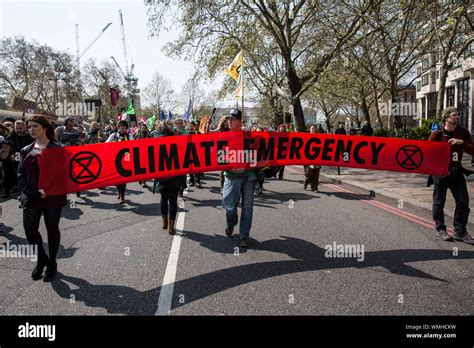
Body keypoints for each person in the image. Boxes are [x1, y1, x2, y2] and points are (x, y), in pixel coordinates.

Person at [18, 116, 67, 282]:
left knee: (52, 228)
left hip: (53, 197)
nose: (31, 129)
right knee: (30, 230)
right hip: (32, 197)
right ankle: (42, 259)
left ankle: (52, 263)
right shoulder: (26, 149)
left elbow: (65, 172)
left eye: (35, 126)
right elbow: (21, 173)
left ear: (45, 128)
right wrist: (31, 192)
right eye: (29, 127)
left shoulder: (59, 148)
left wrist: (51, 188)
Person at [428, 107, 474, 245]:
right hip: (441, 172)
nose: (457, 117)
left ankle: (460, 231)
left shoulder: (463, 132)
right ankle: (440, 228)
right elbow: (427, 152)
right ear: (446, 117)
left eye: (458, 115)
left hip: (456, 171)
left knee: (463, 201)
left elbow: (473, 150)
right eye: (454, 115)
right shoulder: (437, 134)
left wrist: (462, 143)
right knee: (439, 201)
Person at [222, 109, 256, 248]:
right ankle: (231, 224)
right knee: (230, 207)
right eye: (228, 119)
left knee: (247, 207)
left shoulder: (249, 136)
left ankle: (244, 235)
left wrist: (247, 166)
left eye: (233, 119)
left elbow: (255, 153)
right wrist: (228, 167)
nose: (229, 121)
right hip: (231, 176)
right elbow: (219, 155)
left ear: (240, 121)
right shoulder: (224, 136)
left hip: (248, 176)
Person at [152, 121, 179, 235]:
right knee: (173, 201)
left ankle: (164, 223)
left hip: (161, 175)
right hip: (173, 175)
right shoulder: (175, 139)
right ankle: (171, 227)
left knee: (163, 198)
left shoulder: (154, 140)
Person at [4, 120, 34, 198]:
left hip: (26, 159)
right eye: (17, 128)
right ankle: (7, 192)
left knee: (23, 177)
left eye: (20, 128)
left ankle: (23, 194)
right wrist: (10, 154)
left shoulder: (30, 137)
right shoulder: (11, 136)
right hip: (13, 159)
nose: (19, 130)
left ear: (25, 128)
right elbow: (7, 146)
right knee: (8, 175)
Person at [106, 120, 134, 204]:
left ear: (126, 128)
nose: (122, 128)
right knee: (117, 179)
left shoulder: (129, 135)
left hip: (126, 159)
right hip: (115, 160)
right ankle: (119, 192)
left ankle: (122, 196)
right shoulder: (113, 135)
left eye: (124, 127)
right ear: (118, 127)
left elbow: (133, 145)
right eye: (121, 127)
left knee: (123, 179)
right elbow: (106, 144)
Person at [304, 124, 322, 192]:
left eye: (314, 128)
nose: (313, 129)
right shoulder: (306, 137)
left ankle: (315, 188)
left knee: (316, 174)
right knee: (309, 174)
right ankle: (306, 182)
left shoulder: (319, 136)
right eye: (312, 128)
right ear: (309, 130)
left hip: (317, 159)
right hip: (309, 159)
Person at [187, 121, 203, 188]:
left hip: (197, 152)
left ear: (194, 126)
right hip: (189, 152)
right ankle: (191, 181)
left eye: (192, 126)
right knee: (190, 168)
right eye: (190, 126)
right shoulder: (186, 133)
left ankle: (198, 181)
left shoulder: (198, 133)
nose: (191, 127)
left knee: (197, 168)